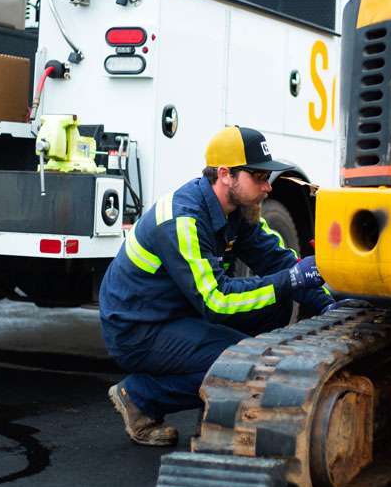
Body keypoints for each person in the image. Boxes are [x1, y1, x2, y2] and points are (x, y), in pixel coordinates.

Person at [99, 125, 335, 446]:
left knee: (277, 300)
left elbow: (280, 262)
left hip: (178, 313)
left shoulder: (239, 211)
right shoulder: (183, 219)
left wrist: (330, 305)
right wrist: (290, 280)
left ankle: (226, 392)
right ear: (226, 175)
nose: (268, 187)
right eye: (259, 177)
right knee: (241, 364)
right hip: (138, 329)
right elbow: (217, 300)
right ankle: (139, 398)